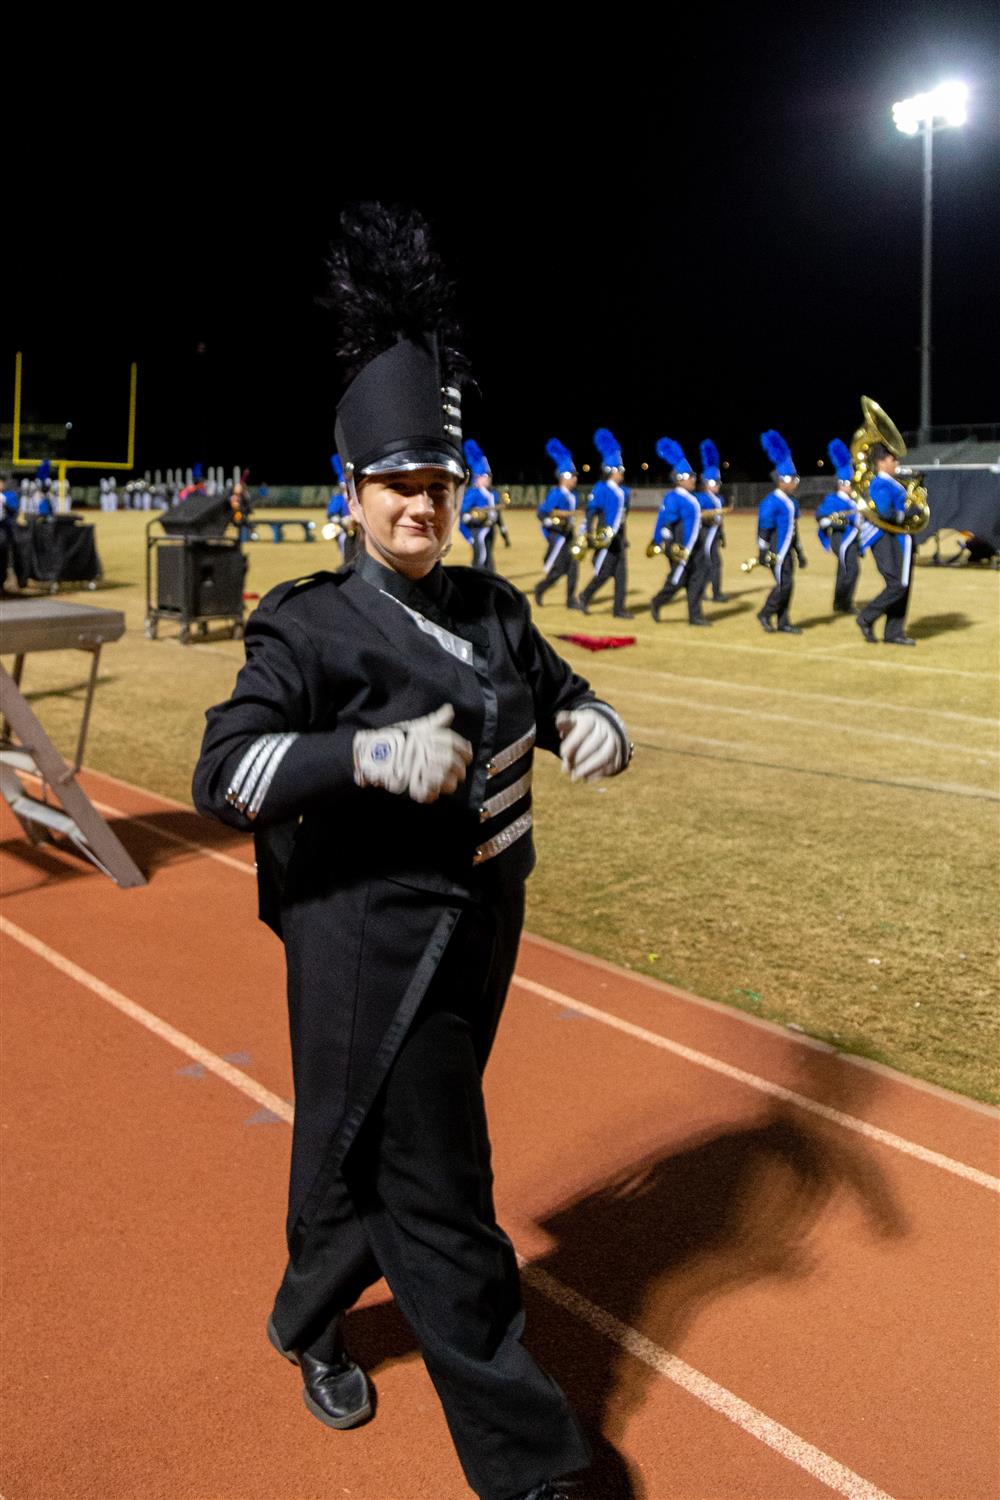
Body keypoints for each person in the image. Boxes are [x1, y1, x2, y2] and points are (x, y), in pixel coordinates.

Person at [193, 204, 632, 1500]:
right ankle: (535, 1465)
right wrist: (359, 757)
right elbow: (226, 774)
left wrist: (595, 725)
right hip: (366, 939)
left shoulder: (496, 608)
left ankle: (304, 1316)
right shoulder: (310, 626)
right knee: (444, 1199)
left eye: (438, 483)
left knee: (355, 1152)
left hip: (483, 928)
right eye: (396, 484)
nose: (420, 505)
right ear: (352, 494)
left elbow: (556, 699)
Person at [856, 445, 919, 646]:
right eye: (893, 460)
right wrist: (905, 514)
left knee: (904, 585)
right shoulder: (880, 484)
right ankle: (866, 617)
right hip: (884, 538)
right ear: (882, 462)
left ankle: (894, 632)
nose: (897, 463)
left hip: (897, 538)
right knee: (897, 584)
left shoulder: (893, 483)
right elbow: (884, 511)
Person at [649, 438, 710, 625]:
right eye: (690, 476)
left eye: (693, 475)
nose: (694, 479)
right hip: (681, 547)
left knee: (699, 577)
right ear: (680, 479)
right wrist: (668, 545)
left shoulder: (692, 498)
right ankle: (657, 602)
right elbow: (666, 524)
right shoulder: (674, 498)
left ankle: (695, 616)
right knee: (678, 580)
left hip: (696, 546)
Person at [576, 428, 633, 617]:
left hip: (618, 538)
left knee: (621, 575)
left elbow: (624, 517)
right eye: (620, 469)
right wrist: (589, 533)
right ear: (611, 471)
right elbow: (591, 511)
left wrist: (624, 537)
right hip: (605, 537)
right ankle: (584, 596)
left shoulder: (625, 492)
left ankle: (619, 609)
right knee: (605, 572)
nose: (622, 473)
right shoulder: (601, 489)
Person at [756, 429, 804, 634]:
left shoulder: (792, 502)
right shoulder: (772, 501)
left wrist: (799, 552)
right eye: (793, 479)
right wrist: (762, 551)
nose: (795, 483)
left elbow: (794, 529)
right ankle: (765, 613)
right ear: (782, 479)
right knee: (783, 585)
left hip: (788, 552)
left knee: (789, 586)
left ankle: (783, 621)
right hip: (776, 552)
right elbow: (764, 528)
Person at [533, 438, 581, 608]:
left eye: (575, 476)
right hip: (557, 535)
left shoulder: (575, 495)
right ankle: (540, 588)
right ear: (563, 477)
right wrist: (551, 521)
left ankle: (570, 600)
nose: (575, 479)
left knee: (574, 567)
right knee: (561, 569)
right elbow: (541, 512)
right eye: (572, 476)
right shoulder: (556, 494)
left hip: (569, 534)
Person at [815, 439, 861, 613]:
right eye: (850, 483)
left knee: (846, 569)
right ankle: (844, 602)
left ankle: (840, 603)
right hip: (839, 537)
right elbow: (821, 517)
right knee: (852, 569)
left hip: (850, 537)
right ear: (842, 483)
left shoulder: (854, 501)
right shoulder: (833, 499)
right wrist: (835, 520)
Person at [698, 439, 730, 602]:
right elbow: (699, 515)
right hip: (704, 534)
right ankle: (714, 593)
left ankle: (703, 591)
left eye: (718, 482)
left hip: (714, 534)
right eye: (714, 482)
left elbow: (720, 519)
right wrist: (714, 513)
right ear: (706, 483)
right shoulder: (701, 498)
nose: (717, 485)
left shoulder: (720, 498)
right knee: (713, 564)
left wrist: (722, 535)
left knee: (710, 564)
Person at [460, 440, 499, 571]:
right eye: (485, 476)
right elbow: (464, 513)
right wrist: (471, 519)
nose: (488, 478)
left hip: (490, 529)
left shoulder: (493, 493)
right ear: (477, 479)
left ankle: (490, 583)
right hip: (478, 530)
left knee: (489, 560)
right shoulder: (473, 493)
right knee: (480, 559)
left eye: (489, 475)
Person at [324, 454, 360, 565]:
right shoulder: (339, 498)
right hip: (344, 529)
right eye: (343, 485)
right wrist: (341, 521)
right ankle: (348, 563)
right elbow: (331, 514)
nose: (345, 487)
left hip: (359, 528)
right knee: (343, 540)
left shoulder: (359, 497)